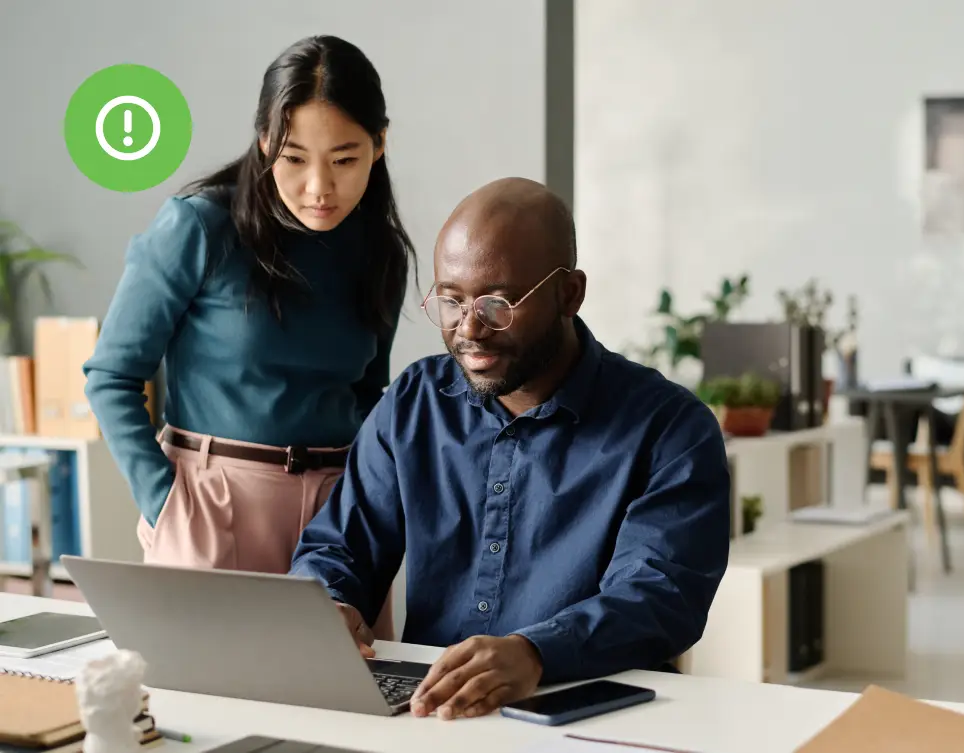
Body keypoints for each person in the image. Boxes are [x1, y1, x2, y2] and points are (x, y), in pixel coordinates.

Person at [289, 177, 732, 719]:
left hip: (590, 719)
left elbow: (659, 596)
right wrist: (329, 604)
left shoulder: (669, 429)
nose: (469, 328)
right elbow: (339, 546)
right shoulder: (414, 402)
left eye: (498, 304)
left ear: (569, 293)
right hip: (436, 718)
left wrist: (537, 653)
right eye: (451, 301)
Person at [83, 36, 414, 639]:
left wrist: (367, 506)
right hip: (212, 505)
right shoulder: (200, 226)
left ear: (379, 144)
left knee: (349, 706)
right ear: (264, 140)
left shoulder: (379, 252)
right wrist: (167, 503)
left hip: (339, 520)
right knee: (207, 711)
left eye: (344, 159)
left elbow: (370, 395)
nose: (320, 187)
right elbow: (111, 375)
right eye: (294, 158)